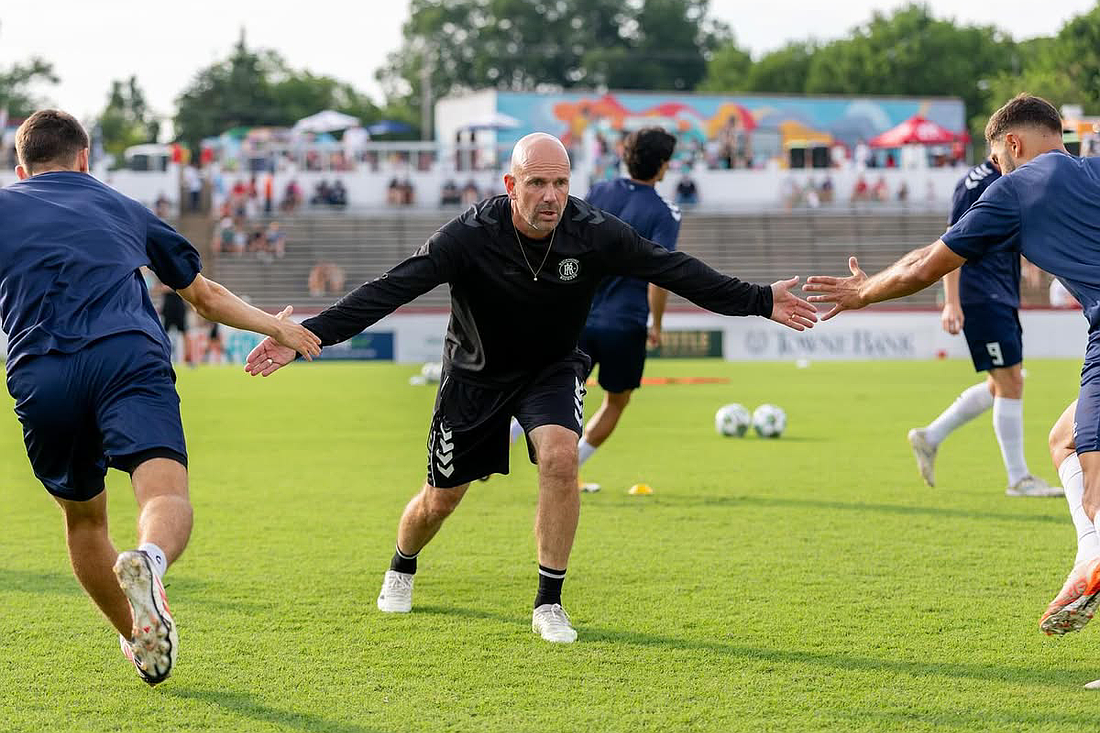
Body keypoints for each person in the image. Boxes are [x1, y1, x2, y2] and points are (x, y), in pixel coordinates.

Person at [245, 132, 818, 644]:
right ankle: (402, 563)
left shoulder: (591, 231)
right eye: (538, 183)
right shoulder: (468, 235)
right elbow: (389, 290)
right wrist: (305, 336)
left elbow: (673, 268)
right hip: (474, 375)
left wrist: (760, 300)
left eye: (561, 183)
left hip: (552, 368)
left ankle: (549, 601)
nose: (551, 196)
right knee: (440, 501)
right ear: (510, 184)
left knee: (562, 458)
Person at [0, 110, 321, 685]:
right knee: (163, 489)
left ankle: (140, 642)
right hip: (127, 354)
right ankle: (150, 561)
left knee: (84, 522)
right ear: (84, 159)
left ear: (20, 169)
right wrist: (275, 328)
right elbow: (203, 294)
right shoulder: (120, 205)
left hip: (41, 370)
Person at [802, 94, 1100, 647]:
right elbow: (937, 246)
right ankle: (1088, 558)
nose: (998, 168)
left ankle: (1093, 558)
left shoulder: (1015, 188)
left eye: (998, 156)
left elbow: (930, 264)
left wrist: (864, 291)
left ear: (1012, 143)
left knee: (1094, 483)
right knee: (1064, 439)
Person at [907, 158, 1056, 497]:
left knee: (1001, 383)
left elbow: (999, 232)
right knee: (1010, 381)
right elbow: (952, 241)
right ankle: (1018, 479)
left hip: (1000, 293)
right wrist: (951, 301)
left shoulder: (1009, 178)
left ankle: (930, 437)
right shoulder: (975, 182)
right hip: (981, 295)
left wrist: (1026, 258)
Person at [572, 127, 682, 492]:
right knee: (617, 400)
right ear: (663, 166)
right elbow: (660, 276)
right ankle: (570, 470)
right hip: (625, 322)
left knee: (552, 390)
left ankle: (504, 438)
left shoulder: (599, 191)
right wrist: (657, 323)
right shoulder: (664, 212)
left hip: (579, 315)